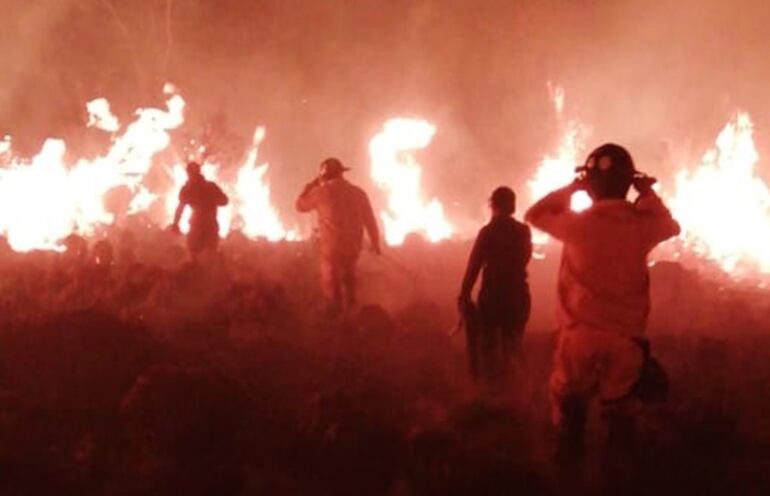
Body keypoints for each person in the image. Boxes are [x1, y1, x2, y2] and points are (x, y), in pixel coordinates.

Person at [524, 143, 680, 480]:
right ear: (628, 182)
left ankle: (567, 480)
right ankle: (617, 481)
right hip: (625, 344)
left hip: (577, 341)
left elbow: (534, 215)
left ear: (590, 185)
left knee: (569, 424)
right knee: (619, 425)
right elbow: (670, 225)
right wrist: (647, 191)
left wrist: (573, 187)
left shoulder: (575, 226)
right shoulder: (640, 227)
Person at [458, 186, 532, 384]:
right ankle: (520, 387)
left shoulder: (488, 232)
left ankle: (492, 388)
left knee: (488, 345)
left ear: (493, 205)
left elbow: (474, 265)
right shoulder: (523, 231)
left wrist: (464, 295)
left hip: (493, 296)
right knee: (513, 343)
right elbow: (525, 259)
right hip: (518, 295)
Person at [295, 157, 380, 315]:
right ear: (341, 174)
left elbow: (300, 206)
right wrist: (375, 243)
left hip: (331, 250)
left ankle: (334, 318)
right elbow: (370, 220)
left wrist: (308, 188)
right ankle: (351, 314)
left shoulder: (320, 193)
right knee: (349, 279)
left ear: (324, 177)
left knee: (331, 287)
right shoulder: (358, 193)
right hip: (353, 248)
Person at [170, 162, 229, 262]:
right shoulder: (205, 187)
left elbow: (224, 201)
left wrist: (176, 224)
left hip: (204, 227)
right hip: (203, 227)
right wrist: (175, 224)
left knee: (203, 257)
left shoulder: (203, 187)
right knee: (203, 257)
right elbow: (180, 207)